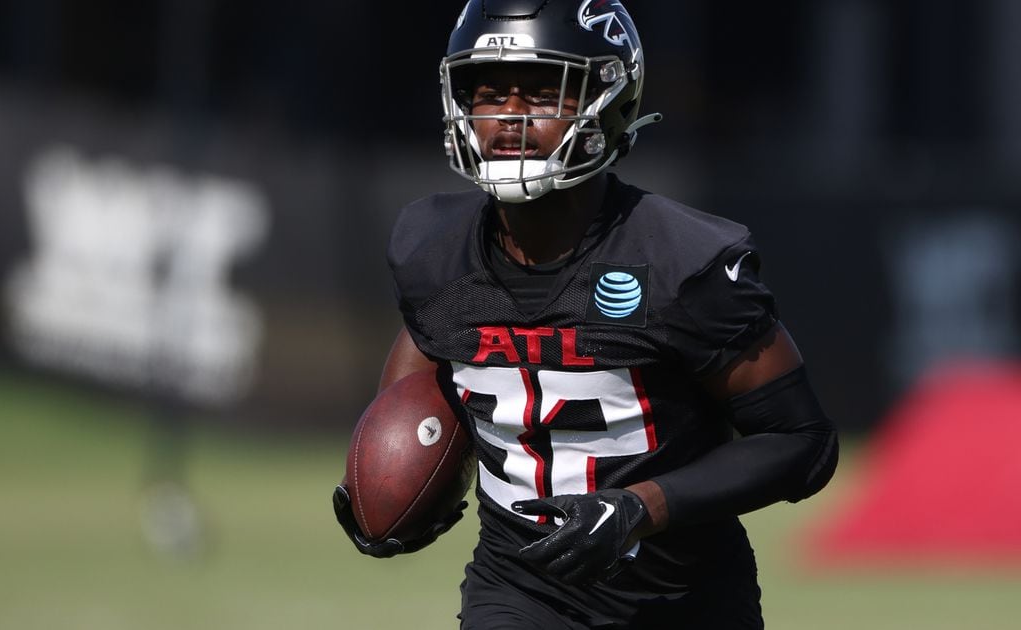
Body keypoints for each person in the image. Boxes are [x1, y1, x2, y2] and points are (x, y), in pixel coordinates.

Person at [332, 1, 840, 627]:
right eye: (489, 93)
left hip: (681, 603)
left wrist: (641, 505)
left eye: (545, 93)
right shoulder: (431, 250)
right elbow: (419, 381)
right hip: (519, 591)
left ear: (610, 101)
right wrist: (391, 486)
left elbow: (801, 442)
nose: (511, 117)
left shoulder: (679, 262)